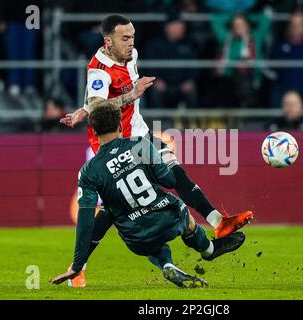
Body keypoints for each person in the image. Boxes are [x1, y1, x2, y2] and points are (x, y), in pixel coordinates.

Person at [59, 15, 254, 287]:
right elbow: (98, 106)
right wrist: (132, 95)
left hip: (139, 133)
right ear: (107, 42)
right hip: (116, 142)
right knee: (116, 209)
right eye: (124, 38)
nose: (131, 43)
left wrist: (83, 110)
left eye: (133, 36)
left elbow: (91, 105)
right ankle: (77, 267)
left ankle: (217, 222)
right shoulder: (99, 70)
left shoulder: (131, 55)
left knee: (174, 173)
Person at [51, 106, 246, 288]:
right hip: (166, 217)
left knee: (140, 234)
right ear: (121, 126)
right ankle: (208, 249)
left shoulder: (88, 171)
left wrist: (77, 265)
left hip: (133, 235)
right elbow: (170, 181)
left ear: (93, 132)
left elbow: (85, 220)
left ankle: (167, 265)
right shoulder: (140, 145)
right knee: (183, 214)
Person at [144, 14, 199, 109]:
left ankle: (187, 123)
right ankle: (158, 124)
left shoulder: (190, 44)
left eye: (181, 27)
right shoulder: (155, 45)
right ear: (167, 27)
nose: (180, 29)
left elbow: (195, 66)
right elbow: (150, 66)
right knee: (155, 93)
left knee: (192, 93)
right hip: (162, 84)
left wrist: (190, 80)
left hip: (182, 84)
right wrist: (156, 80)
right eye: (176, 26)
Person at [269, 12, 303, 109]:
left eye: (300, 25)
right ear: (288, 27)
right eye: (294, 25)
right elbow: (270, 68)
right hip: (284, 87)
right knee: (275, 95)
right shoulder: (279, 46)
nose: (296, 29)